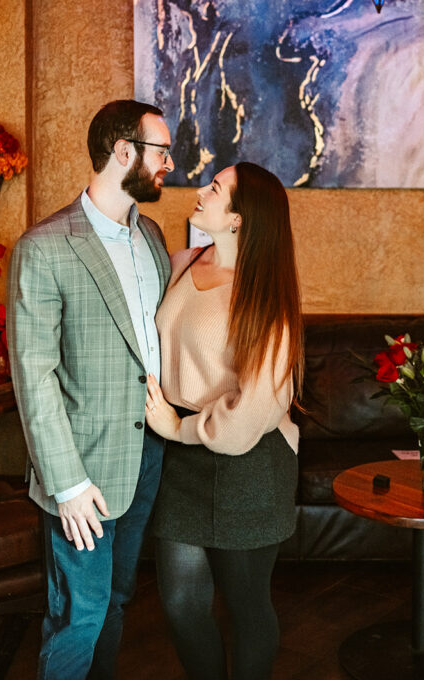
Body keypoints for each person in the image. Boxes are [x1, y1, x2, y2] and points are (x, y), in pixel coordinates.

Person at [7, 99, 173, 680]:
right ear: (123, 152)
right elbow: (34, 375)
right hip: (82, 470)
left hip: (149, 453)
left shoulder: (150, 235)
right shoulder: (45, 247)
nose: (169, 165)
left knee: (118, 600)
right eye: (162, 151)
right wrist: (68, 483)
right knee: (81, 612)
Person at [145, 161, 304, 680]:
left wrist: (176, 428)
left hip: (250, 459)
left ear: (238, 218)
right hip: (183, 457)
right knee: (181, 605)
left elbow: (246, 420)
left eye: (215, 189)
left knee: (247, 607)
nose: (201, 192)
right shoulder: (184, 260)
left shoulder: (266, 300)